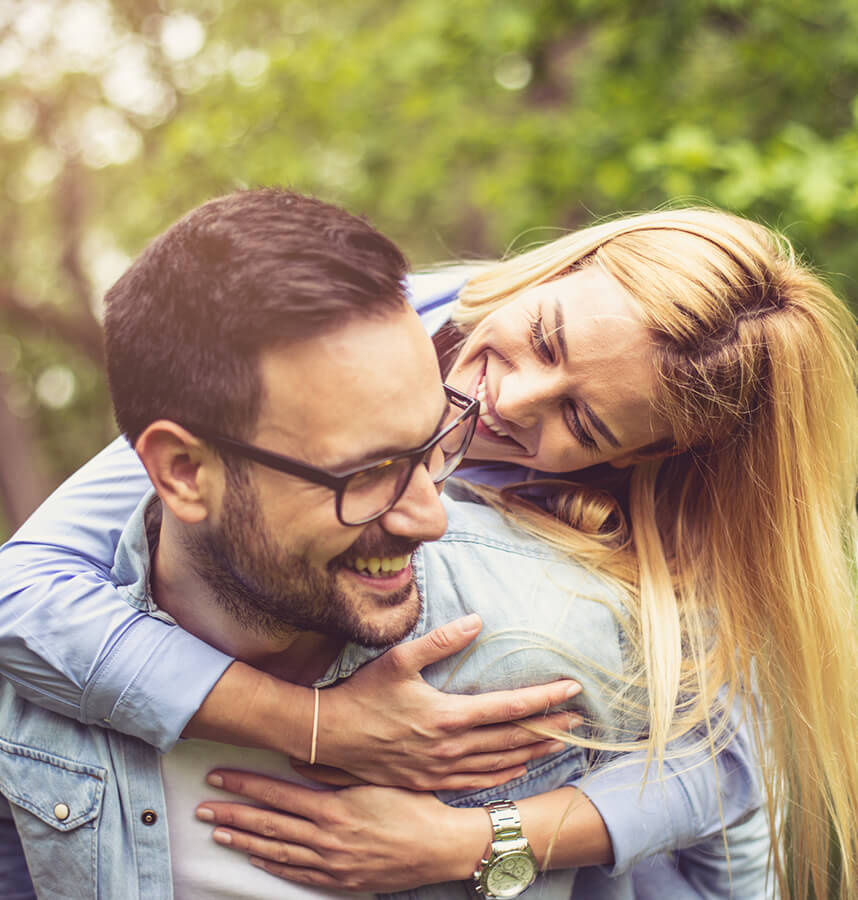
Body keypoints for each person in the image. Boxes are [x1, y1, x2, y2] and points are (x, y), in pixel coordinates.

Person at [3, 199, 854, 895]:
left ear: (631, 456)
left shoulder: (627, 558)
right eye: (546, 339)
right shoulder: (338, 345)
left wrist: (477, 841)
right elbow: (26, 593)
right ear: (554, 268)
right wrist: (320, 726)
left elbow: (732, 758)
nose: (511, 399)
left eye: (582, 423)